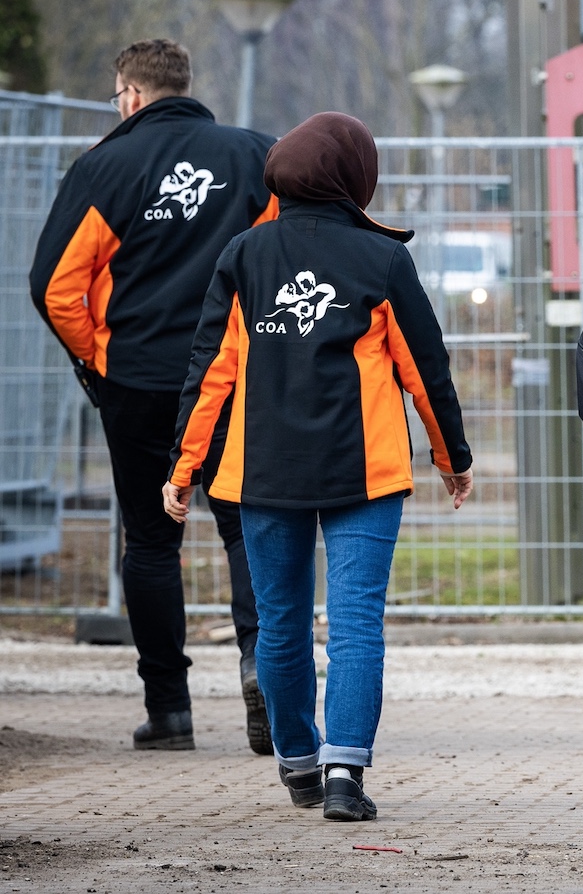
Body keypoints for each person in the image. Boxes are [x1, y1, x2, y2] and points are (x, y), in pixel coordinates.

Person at [163, 112, 473, 822]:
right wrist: (451, 456)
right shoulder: (383, 259)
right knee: (357, 621)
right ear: (355, 178)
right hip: (364, 471)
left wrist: (184, 468)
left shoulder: (244, 254)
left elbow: (211, 372)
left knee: (280, 624)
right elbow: (426, 371)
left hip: (262, 470)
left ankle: (298, 763)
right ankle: (344, 775)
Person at [29, 39, 277, 754]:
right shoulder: (255, 156)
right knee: (247, 528)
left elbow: (55, 287)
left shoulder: (105, 166)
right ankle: (264, 670)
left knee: (150, 541)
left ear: (131, 96)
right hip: (232, 377)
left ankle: (169, 709)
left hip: (137, 379)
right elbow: (281, 259)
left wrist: (100, 360)